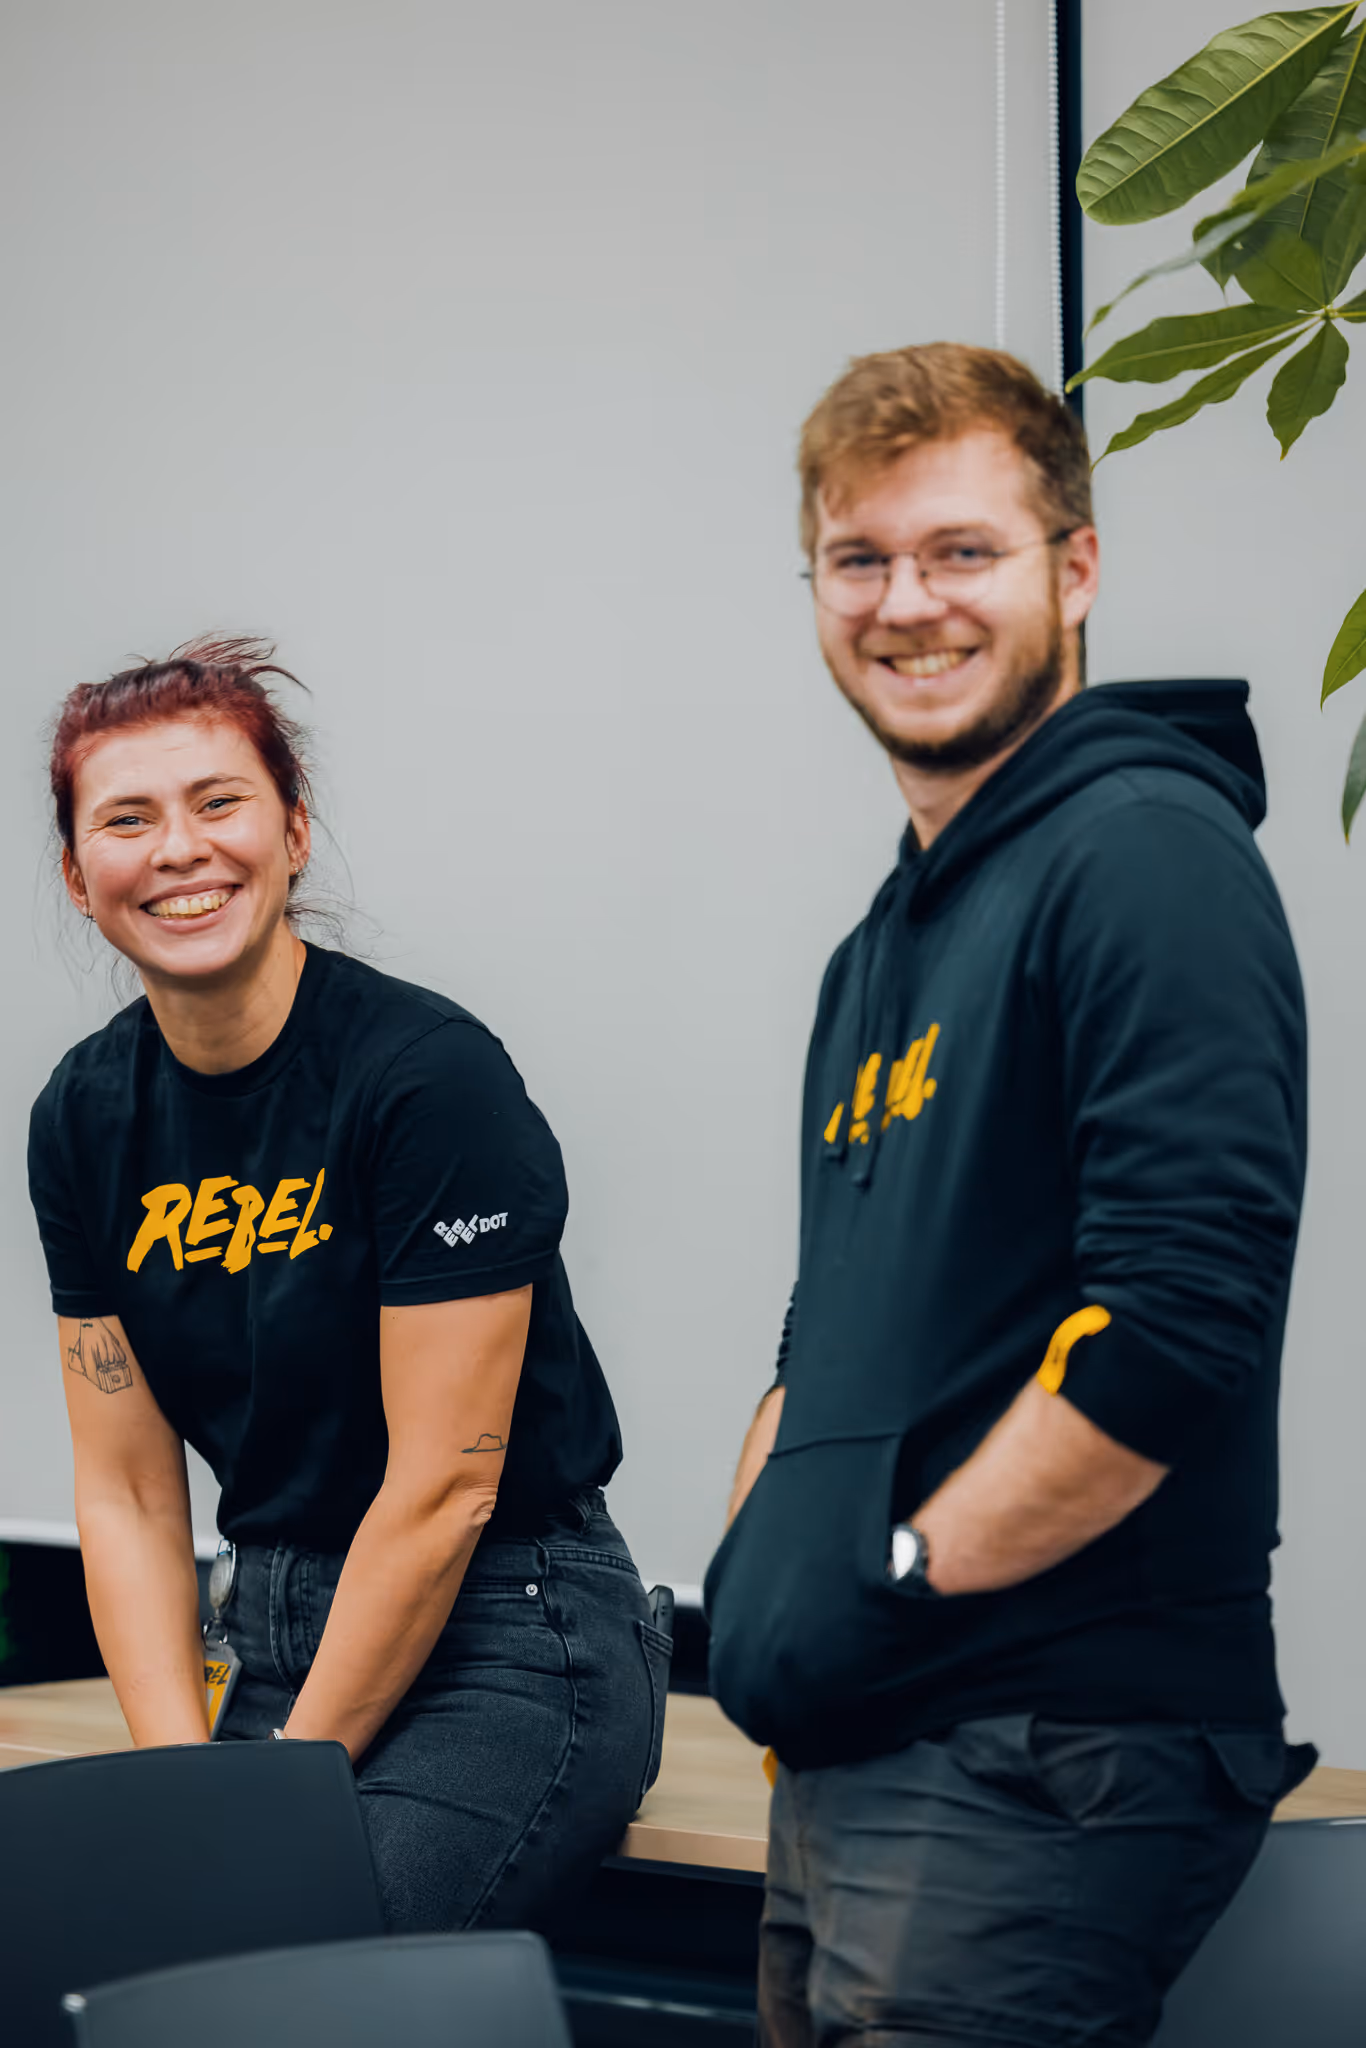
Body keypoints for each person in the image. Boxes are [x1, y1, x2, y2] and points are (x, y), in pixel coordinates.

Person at [704, 345, 1316, 2048]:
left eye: (962, 551)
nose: (908, 603)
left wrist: (895, 1576)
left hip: (1039, 1752)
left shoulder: (1140, 854)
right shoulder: (881, 941)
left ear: (1076, 567)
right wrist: (774, 1576)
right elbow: (830, 1325)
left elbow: (1173, 1324)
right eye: (861, 559)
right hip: (864, 1749)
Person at [28, 637, 669, 1933]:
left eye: (220, 803)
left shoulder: (426, 1082)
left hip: (507, 1635)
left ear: (294, 828)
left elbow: (444, 1492)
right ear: (77, 876)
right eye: (128, 819)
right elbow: (129, 1493)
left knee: (293, 1972)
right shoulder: (84, 1117)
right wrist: (185, 1785)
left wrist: (267, 1817)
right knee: (144, 1958)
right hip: (270, 1636)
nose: (180, 850)